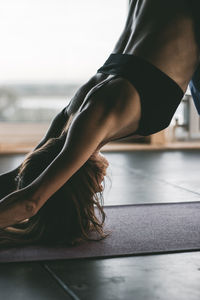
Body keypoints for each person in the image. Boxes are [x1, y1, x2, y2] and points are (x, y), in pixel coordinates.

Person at [0, 0, 199, 245]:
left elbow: (30, 202)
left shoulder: (95, 119)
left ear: (73, 181)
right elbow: (17, 178)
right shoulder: (73, 115)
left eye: (90, 193)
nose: (98, 190)